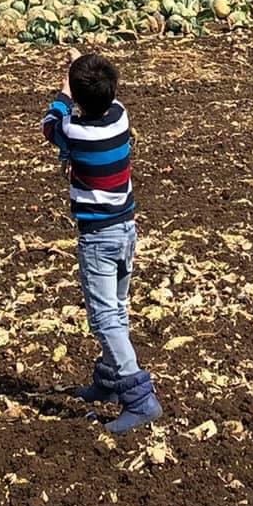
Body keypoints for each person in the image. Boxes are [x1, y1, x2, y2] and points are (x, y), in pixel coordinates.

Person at [42, 50, 162, 434]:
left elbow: (50, 122)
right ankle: (109, 382)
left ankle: (138, 398)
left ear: (78, 98)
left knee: (104, 317)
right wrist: (80, 72)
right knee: (118, 308)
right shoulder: (120, 117)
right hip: (127, 229)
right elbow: (95, 98)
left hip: (97, 238)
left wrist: (65, 85)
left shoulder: (74, 132)